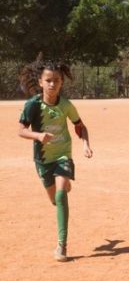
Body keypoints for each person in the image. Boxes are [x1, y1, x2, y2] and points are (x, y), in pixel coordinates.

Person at [17, 58, 93, 262]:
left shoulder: (66, 105)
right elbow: (21, 130)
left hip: (62, 155)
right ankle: (62, 188)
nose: (53, 84)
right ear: (40, 82)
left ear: (61, 82)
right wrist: (38, 136)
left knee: (60, 195)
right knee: (54, 199)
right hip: (42, 159)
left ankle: (62, 246)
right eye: (48, 80)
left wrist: (85, 144)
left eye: (57, 80)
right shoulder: (32, 105)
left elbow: (80, 126)